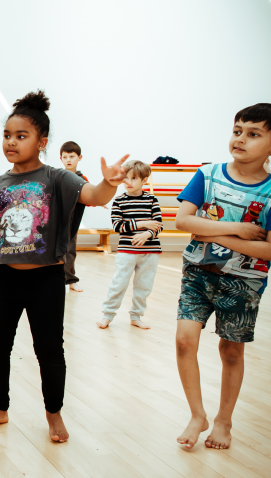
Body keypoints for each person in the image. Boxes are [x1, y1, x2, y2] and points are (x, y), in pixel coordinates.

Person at [0, 90, 127, 443]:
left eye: (21, 136)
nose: (11, 142)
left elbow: (95, 197)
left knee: (49, 349)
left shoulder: (58, 178)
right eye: (7, 135)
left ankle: (54, 414)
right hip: (4, 278)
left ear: (42, 142)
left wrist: (109, 183)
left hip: (46, 278)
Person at [173, 103, 271, 450]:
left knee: (231, 352)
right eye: (237, 131)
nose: (241, 139)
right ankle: (197, 415)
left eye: (254, 134)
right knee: (185, 340)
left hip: (244, 283)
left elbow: (269, 250)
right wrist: (239, 230)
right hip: (198, 272)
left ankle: (223, 421)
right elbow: (183, 221)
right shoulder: (208, 174)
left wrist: (212, 233)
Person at [98, 159, 162, 330]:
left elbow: (158, 225)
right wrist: (143, 223)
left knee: (144, 286)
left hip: (150, 252)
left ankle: (136, 316)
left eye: (134, 178)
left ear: (144, 180)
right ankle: (107, 315)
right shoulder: (119, 201)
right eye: (126, 178)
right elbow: (118, 226)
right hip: (127, 251)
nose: (129, 182)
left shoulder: (152, 200)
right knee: (119, 284)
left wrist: (147, 233)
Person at [59, 141, 89, 292]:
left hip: (73, 221)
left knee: (70, 250)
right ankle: (54, 279)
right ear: (61, 159)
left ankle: (71, 279)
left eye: (72, 156)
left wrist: (98, 201)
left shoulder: (82, 178)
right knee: (55, 251)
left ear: (79, 157)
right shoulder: (58, 176)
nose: (68, 160)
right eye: (65, 157)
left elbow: (90, 195)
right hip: (58, 221)